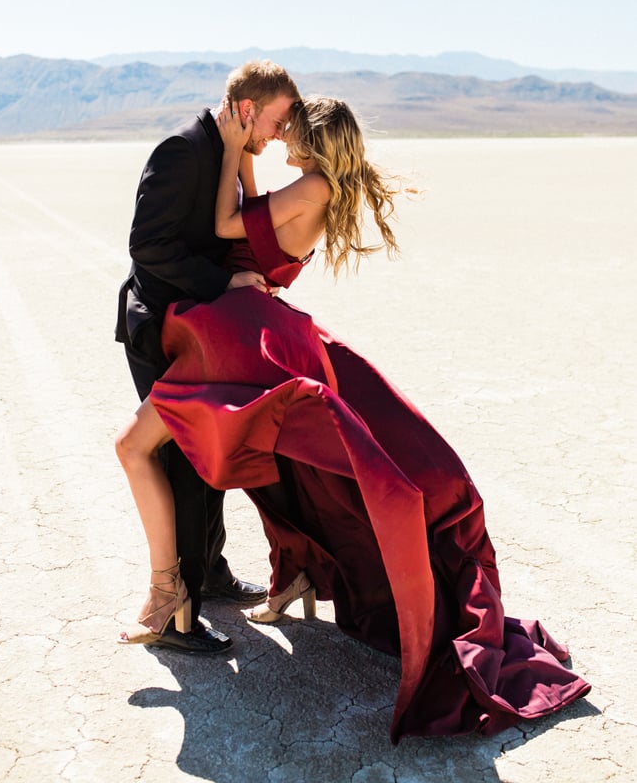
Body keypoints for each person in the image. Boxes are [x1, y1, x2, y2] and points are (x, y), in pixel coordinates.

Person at [116, 96, 590, 741]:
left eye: (288, 130)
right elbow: (251, 219)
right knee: (284, 464)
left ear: (311, 138)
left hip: (242, 334)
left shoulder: (310, 184)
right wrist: (245, 157)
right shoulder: (312, 185)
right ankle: (286, 571)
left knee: (171, 449)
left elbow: (232, 226)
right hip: (252, 330)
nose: (279, 138)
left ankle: (178, 588)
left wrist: (233, 147)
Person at [115, 59, 300, 654]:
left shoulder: (223, 154)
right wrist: (224, 287)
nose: (276, 135)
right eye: (274, 121)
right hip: (161, 331)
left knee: (210, 456)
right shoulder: (182, 151)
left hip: (201, 331)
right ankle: (176, 613)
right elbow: (147, 246)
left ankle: (210, 574)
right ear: (247, 110)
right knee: (185, 466)